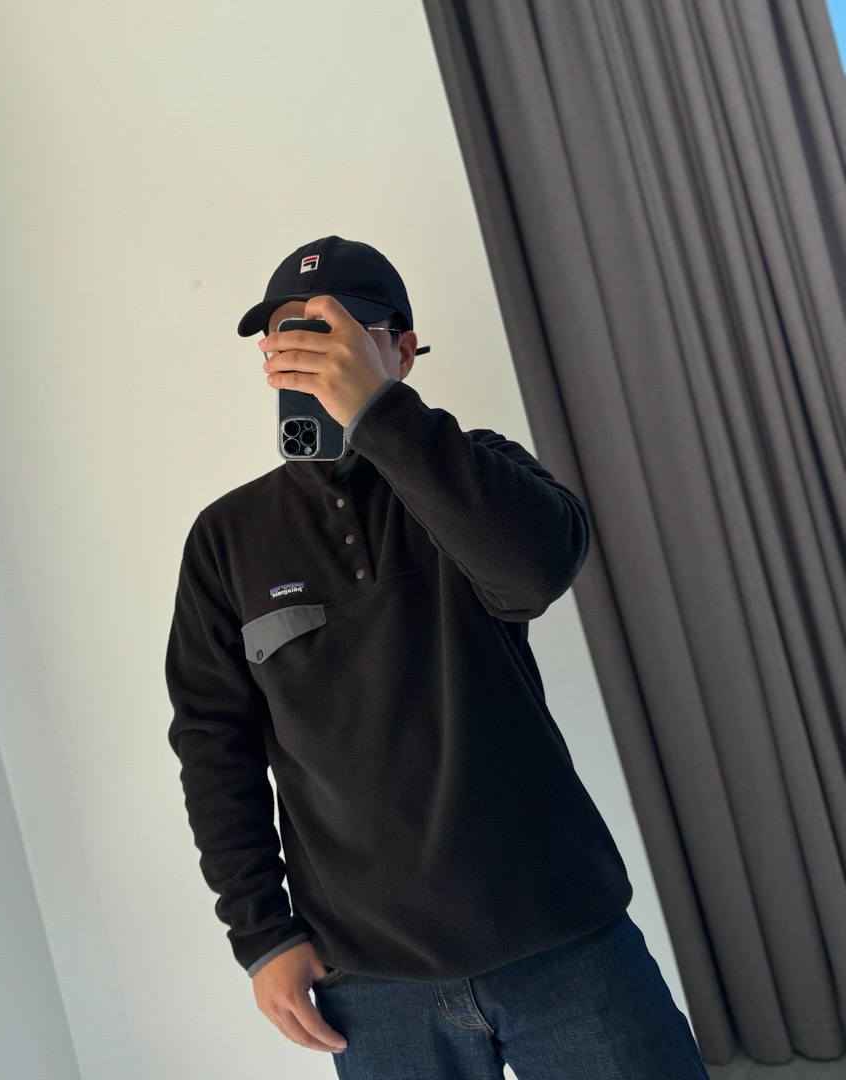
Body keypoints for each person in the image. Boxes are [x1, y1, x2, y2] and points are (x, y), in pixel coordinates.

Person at [165, 235, 710, 1078]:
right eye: (288, 337)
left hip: (563, 937)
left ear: (403, 348)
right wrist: (262, 935)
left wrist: (380, 414)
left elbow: (536, 570)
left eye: (338, 334)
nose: (311, 356)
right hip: (369, 980)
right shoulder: (225, 540)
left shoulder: (478, 471)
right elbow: (213, 747)